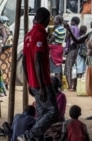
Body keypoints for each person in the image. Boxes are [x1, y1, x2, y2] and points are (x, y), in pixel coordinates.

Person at [20, 7, 59, 140]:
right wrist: (42, 86)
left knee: (42, 113)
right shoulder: (40, 34)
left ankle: (36, 138)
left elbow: (24, 61)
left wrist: (29, 82)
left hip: (33, 81)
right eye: (49, 19)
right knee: (53, 112)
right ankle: (28, 135)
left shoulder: (28, 35)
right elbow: (37, 60)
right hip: (42, 82)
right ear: (45, 19)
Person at [49, 15, 66, 83]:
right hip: (60, 48)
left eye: (55, 19)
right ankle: (59, 83)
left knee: (56, 67)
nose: (53, 21)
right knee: (59, 65)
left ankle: (57, 83)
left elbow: (51, 40)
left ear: (58, 21)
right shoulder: (63, 29)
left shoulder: (57, 30)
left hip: (55, 48)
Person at [64, 16, 80, 91]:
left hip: (71, 49)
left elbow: (66, 39)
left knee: (68, 67)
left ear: (74, 21)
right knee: (75, 68)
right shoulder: (78, 28)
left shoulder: (71, 28)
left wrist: (67, 30)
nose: (70, 22)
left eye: (71, 21)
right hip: (76, 50)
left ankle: (70, 85)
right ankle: (75, 86)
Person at [0, 16, 12, 90]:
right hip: (8, 51)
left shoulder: (2, 27)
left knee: (2, 66)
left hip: (4, 51)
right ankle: (6, 84)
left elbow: (5, 37)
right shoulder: (8, 28)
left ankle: (2, 85)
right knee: (7, 67)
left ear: (1, 22)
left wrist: (1, 45)